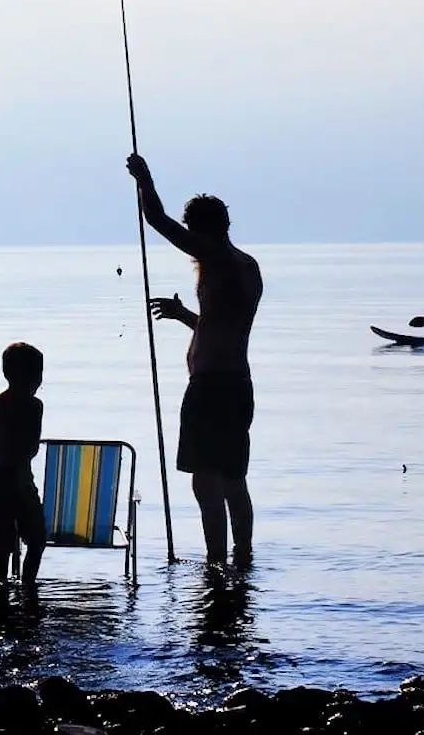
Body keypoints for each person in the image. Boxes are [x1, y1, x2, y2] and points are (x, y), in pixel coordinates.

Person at [126, 153, 262, 568]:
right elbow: (223, 325)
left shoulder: (217, 258)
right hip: (238, 384)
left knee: (207, 483)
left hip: (211, 387)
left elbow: (157, 221)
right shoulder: (247, 265)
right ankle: (242, 560)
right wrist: (186, 315)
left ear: (199, 230)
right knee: (234, 480)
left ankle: (215, 564)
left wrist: (144, 178)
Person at [0, 341, 46, 586]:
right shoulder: (34, 407)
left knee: (2, 545)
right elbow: (31, 449)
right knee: (36, 540)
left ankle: (0, 593)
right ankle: (28, 587)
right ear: (36, 377)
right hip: (22, 482)